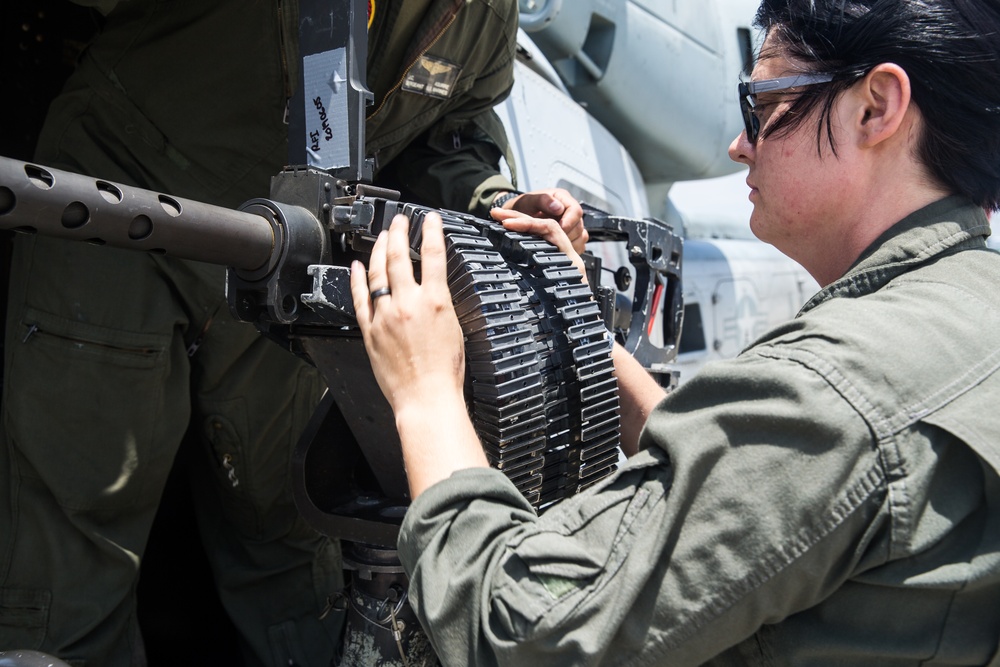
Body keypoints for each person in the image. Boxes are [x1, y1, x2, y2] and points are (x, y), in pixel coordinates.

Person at [349, 0, 1000, 664]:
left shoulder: (831, 395)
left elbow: (513, 629)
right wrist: (569, 321)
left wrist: (426, 390)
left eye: (761, 105)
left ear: (875, 107)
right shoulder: (971, 309)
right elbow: (746, 480)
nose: (739, 144)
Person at [0, 0, 586, 664]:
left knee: (287, 534)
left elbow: (451, 132)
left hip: (288, 269)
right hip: (115, 207)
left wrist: (495, 203)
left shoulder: (486, 15)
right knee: (77, 531)